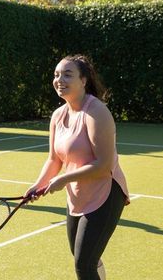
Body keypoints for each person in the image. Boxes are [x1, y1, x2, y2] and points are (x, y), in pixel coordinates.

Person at [25, 55, 130, 280]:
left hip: (106, 193)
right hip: (78, 195)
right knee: (81, 257)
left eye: (67, 74)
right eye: (56, 75)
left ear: (83, 80)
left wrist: (63, 179)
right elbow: (54, 159)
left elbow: (103, 165)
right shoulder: (57, 115)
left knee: (84, 264)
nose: (59, 79)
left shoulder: (96, 112)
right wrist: (38, 184)